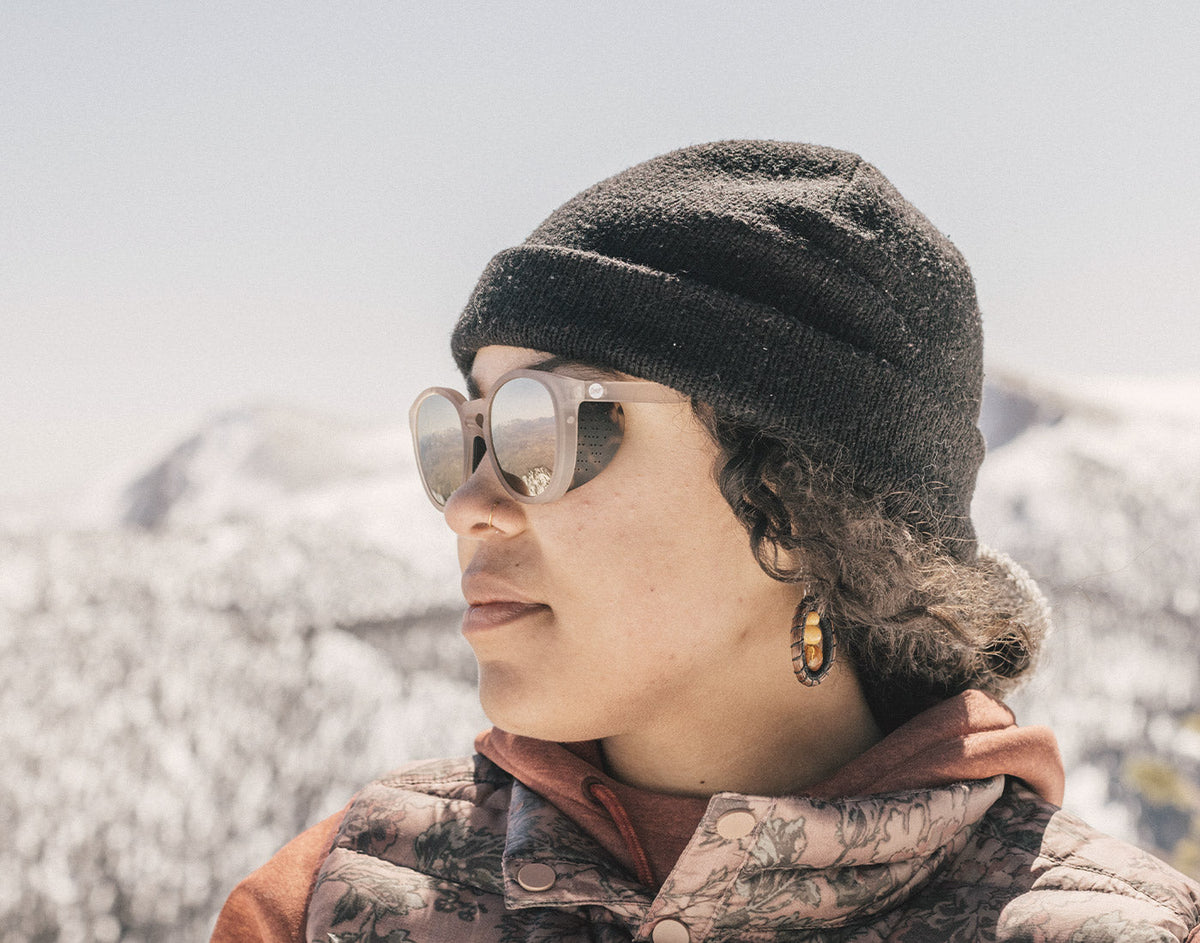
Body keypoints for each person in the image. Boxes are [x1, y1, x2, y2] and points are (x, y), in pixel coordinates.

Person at [212, 140, 1200, 941]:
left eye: (541, 426)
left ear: (799, 502)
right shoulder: (328, 903)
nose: (468, 502)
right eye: (463, 432)